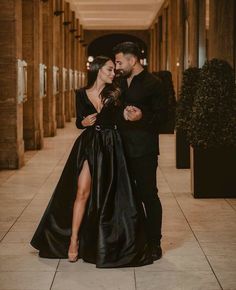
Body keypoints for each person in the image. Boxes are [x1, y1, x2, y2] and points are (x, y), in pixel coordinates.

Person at [30, 56, 153, 268]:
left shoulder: (115, 93)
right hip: (89, 144)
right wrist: (83, 122)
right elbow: (79, 121)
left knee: (107, 193)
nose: (113, 74)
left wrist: (129, 114)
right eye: (109, 69)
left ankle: (103, 242)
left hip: (111, 145)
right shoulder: (80, 93)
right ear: (97, 69)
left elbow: (120, 116)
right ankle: (74, 239)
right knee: (82, 191)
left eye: (114, 70)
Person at [113, 42, 168, 260]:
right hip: (118, 148)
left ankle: (154, 243)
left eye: (119, 61)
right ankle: (130, 240)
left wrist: (141, 117)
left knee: (148, 195)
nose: (117, 66)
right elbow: (112, 111)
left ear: (132, 60)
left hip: (143, 150)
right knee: (124, 196)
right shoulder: (118, 82)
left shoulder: (154, 83)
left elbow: (164, 118)